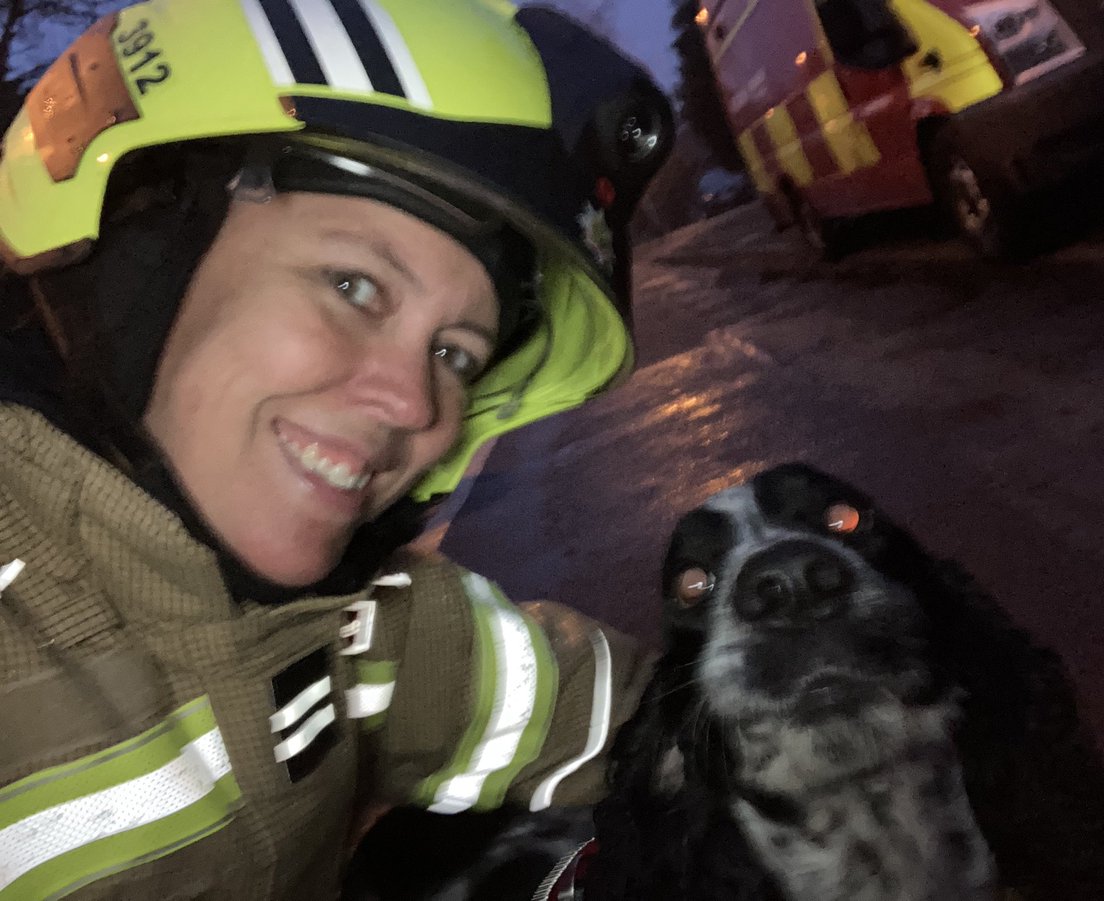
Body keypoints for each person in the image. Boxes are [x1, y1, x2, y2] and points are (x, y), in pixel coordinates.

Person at [0, 1, 673, 898]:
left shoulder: (358, 628)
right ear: (141, 251)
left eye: (454, 355)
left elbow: (616, 711)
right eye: (353, 285)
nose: (412, 403)